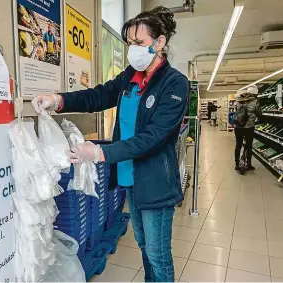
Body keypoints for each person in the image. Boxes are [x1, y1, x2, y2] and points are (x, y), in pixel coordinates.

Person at [32, 6, 188, 282]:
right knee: (143, 246)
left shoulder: (174, 84)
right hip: (130, 177)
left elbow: (153, 137)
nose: (133, 49)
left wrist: (100, 151)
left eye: (139, 43)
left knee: (157, 254)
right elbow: (99, 96)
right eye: (129, 43)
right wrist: (59, 100)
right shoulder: (131, 76)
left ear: (160, 42)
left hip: (155, 184)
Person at [234, 85, 261, 171]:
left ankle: (237, 164)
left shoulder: (238, 99)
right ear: (255, 93)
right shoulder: (255, 101)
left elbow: (236, 111)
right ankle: (248, 164)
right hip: (249, 126)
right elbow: (259, 113)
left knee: (238, 145)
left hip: (238, 126)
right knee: (249, 145)